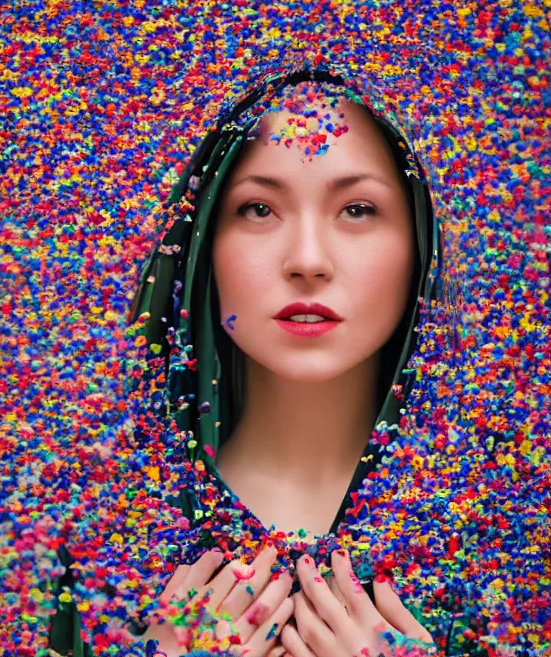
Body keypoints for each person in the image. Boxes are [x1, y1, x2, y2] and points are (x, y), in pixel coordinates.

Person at [49, 67, 482, 656]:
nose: (307, 260)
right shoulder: (111, 532)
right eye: (258, 209)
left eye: (357, 209)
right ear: (202, 243)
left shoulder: (499, 532)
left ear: (418, 245)